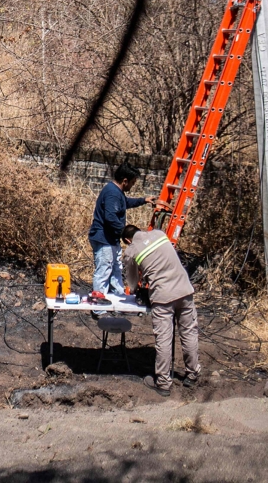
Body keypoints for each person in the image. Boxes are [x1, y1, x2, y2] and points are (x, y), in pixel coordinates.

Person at [121, 223, 201, 396]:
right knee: (189, 333)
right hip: (185, 290)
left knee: (164, 339)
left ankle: (163, 383)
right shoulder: (159, 234)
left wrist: (136, 290)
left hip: (163, 296)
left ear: (127, 240)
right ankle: (192, 374)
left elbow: (132, 281)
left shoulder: (132, 250)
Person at [88, 163, 154, 314]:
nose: (132, 185)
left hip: (111, 239)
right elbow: (110, 217)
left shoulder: (117, 192)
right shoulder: (112, 193)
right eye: (132, 182)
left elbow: (125, 203)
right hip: (104, 239)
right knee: (104, 270)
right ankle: (98, 307)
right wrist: (126, 233)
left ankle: (118, 302)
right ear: (125, 181)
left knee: (116, 269)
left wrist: (144, 200)